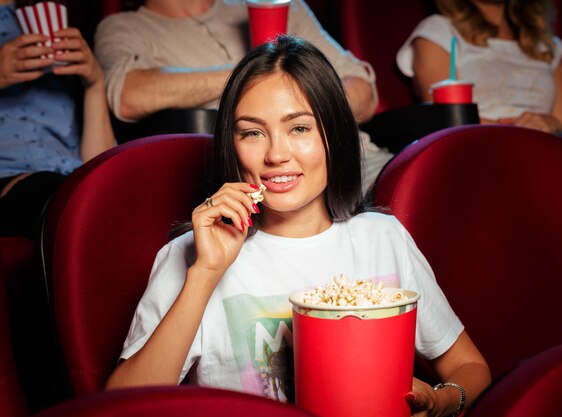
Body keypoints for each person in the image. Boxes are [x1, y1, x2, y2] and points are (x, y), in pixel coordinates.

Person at [104, 36, 491, 416]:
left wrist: (442, 403)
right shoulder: (191, 256)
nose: (276, 154)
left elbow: (470, 368)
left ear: (334, 136)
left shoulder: (382, 238)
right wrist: (206, 273)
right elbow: (121, 408)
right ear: (232, 145)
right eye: (252, 132)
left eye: (300, 128)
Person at [94, 0, 392, 194]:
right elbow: (128, 95)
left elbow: (363, 95)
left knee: (423, 183)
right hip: (264, 186)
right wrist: (260, 73)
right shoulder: (123, 28)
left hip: (357, 161)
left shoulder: (280, 5)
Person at [0, 0, 116, 238]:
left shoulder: (46, 15)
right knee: (73, 205)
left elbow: (99, 162)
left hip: (71, 181)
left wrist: (94, 83)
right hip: (15, 180)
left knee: (114, 196)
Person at [396, 0, 562, 134]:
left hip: (550, 150)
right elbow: (447, 123)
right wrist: (517, 130)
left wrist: (551, 125)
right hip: (483, 150)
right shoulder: (439, 32)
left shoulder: (545, 45)